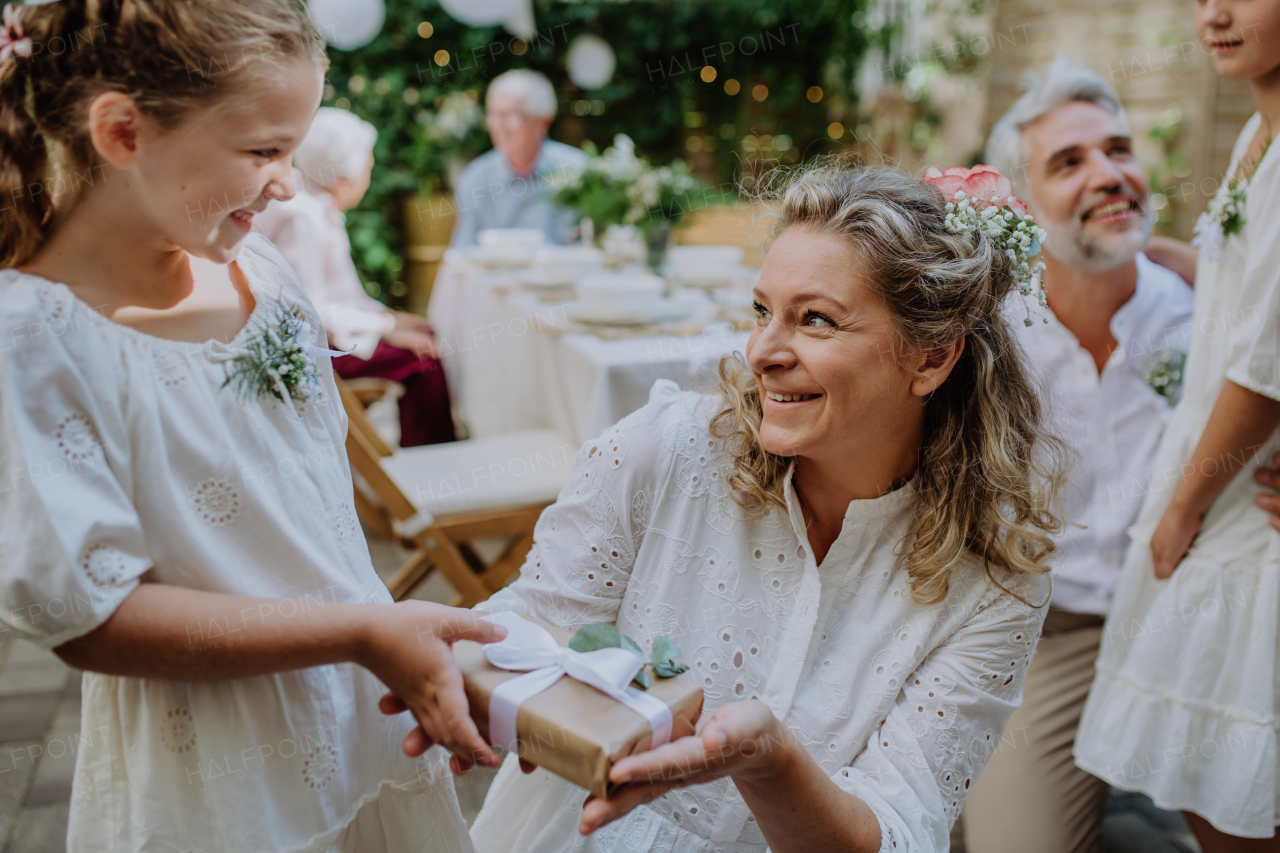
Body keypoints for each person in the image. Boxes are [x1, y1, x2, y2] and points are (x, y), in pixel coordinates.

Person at [384, 164, 1067, 851]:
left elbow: (896, 831)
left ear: (931, 357)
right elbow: (533, 625)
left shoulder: (996, 579)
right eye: (763, 311)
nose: (763, 351)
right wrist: (466, 677)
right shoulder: (664, 450)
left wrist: (769, 760)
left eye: (816, 320)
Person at [0, 3, 504, 851]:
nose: (287, 184)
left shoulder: (260, 271)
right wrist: (360, 630)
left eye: (295, 152)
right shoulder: (34, 341)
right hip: (217, 772)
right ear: (123, 133)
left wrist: (375, 636)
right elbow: (95, 616)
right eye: (264, 151)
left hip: (357, 715)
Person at [960, 58, 1196, 853]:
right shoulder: (987, 332)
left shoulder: (1202, 308)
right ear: (1019, 206)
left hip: (1180, 615)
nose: (1109, 174)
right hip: (1043, 629)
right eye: (1069, 162)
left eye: (1119, 149)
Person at [1073, 0, 1280, 847]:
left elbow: (1265, 363)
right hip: (1220, 467)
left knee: (1232, 777)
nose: (1215, 14)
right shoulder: (1255, 137)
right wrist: (1162, 254)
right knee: (1199, 776)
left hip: (1238, 495)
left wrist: (1183, 510)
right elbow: (1251, 287)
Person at [256, 107, 455, 446]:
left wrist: (388, 317)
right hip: (320, 348)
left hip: (338, 332)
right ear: (343, 177)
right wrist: (389, 329)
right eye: (367, 168)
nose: (368, 176)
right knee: (424, 362)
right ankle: (430, 459)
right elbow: (311, 312)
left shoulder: (320, 207)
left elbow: (345, 295)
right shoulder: (302, 216)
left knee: (425, 330)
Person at [449, 69, 584, 247]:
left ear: (542, 122)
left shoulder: (577, 170)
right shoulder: (476, 179)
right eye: (493, 115)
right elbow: (462, 255)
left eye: (509, 115)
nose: (499, 126)